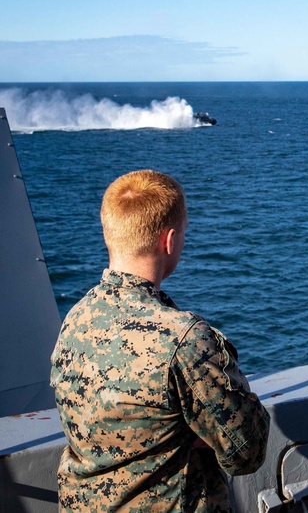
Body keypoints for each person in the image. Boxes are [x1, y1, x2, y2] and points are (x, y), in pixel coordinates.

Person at [50, 170, 270, 512]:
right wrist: (190, 432)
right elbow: (247, 450)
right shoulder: (182, 339)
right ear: (169, 240)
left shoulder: (75, 320)